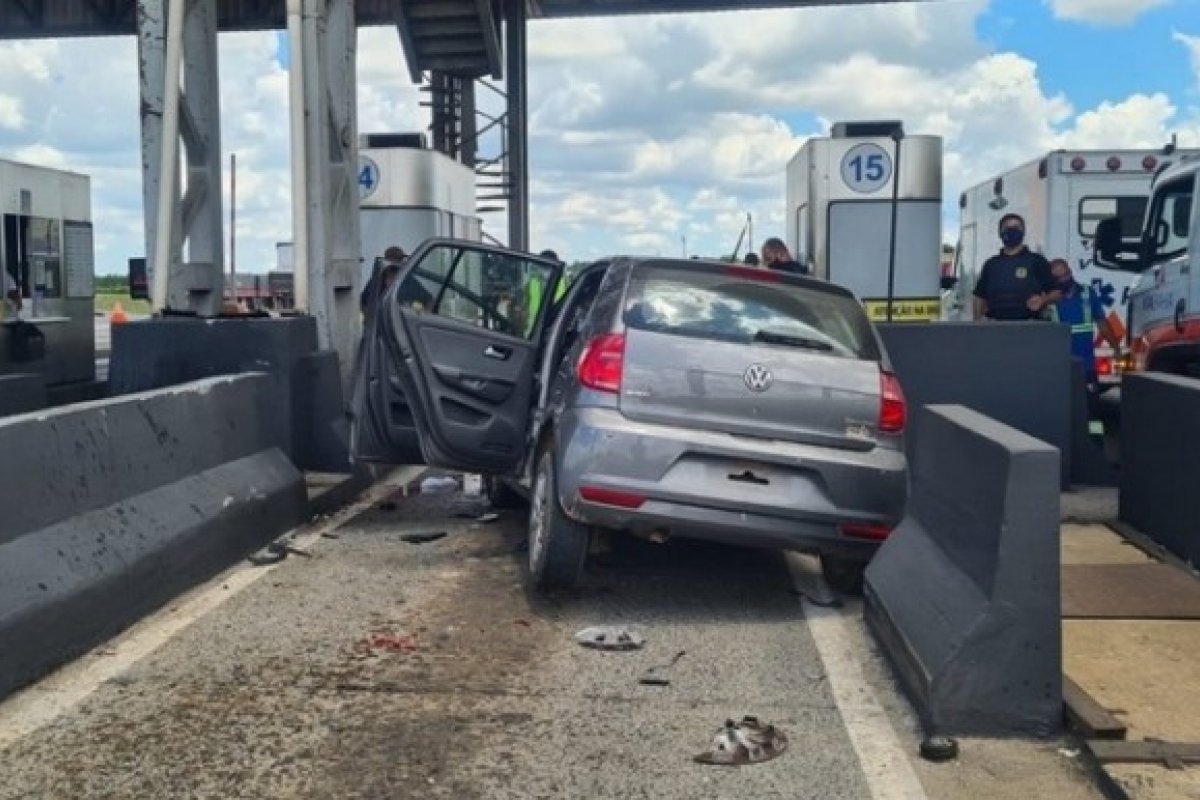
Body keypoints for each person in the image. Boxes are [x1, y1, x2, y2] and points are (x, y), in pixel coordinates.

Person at [1048, 258, 1123, 396]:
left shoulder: (1087, 294)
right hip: (1060, 366)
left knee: (1089, 402)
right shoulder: (1049, 300)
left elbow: (1102, 323)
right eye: (1058, 278)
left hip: (1086, 365)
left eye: (1065, 275)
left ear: (1070, 272)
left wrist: (1116, 348)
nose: (1064, 280)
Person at [972, 214, 1061, 321]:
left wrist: (1043, 300)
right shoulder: (991, 264)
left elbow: (1057, 293)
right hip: (995, 325)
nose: (1012, 230)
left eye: (1016, 227)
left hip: (1029, 325)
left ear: (1023, 232)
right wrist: (977, 323)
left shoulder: (1037, 261)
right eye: (1007, 228)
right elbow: (979, 296)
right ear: (1000, 233)